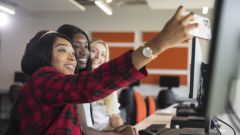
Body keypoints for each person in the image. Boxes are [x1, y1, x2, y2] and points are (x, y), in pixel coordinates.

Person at [8, 6, 197, 135]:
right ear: (42, 54)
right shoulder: (42, 79)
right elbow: (91, 86)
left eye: (73, 52)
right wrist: (159, 43)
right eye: (63, 50)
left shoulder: (57, 89)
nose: (74, 57)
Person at [79, 39, 124, 131]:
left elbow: (114, 115)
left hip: (106, 130)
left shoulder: (109, 83)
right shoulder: (76, 81)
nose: (98, 57)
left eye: (103, 54)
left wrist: (122, 130)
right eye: (93, 51)